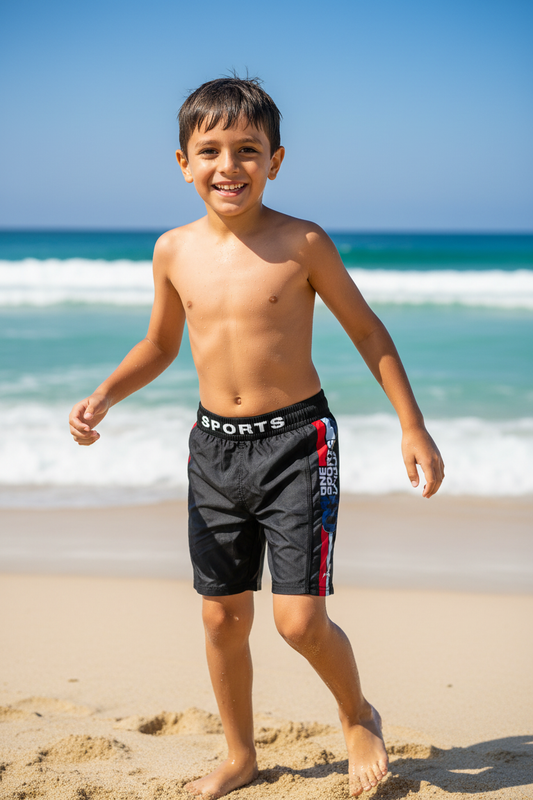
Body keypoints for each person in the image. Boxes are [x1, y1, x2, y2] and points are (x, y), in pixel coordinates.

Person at [69, 76, 444, 798]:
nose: (228, 165)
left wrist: (412, 424)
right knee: (221, 617)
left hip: (298, 446)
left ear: (275, 160)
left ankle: (357, 713)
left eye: (247, 149)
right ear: (182, 162)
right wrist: (105, 394)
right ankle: (240, 755)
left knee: (298, 623)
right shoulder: (172, 251)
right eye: (210, 150)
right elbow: (160, 343)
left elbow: (367, 331)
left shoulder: (302, 242)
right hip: (213, 449)